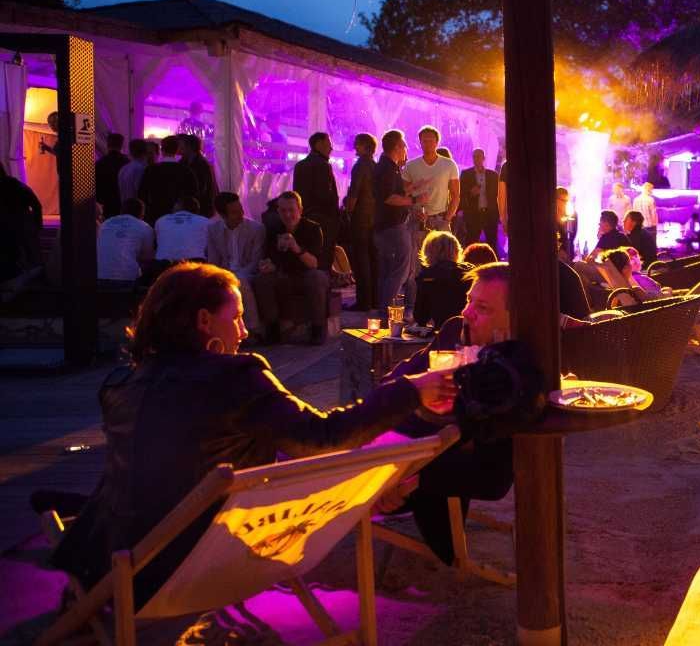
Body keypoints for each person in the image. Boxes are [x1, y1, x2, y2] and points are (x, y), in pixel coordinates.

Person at [48, 262, 454, 606]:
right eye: (238, 316)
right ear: (204, 321)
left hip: (112, 569)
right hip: (197, 567)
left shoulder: (119, 385)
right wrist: (410, 391)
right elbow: (323, 437)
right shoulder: (234, 376)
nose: (244, 331)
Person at [378, 263, 517, 565]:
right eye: (469, 300)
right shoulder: (456, 330)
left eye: (482, 307)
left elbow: (492, 478)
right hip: (400, 443)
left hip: (431, 463)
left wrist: (410, 480)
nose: (468, 312)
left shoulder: (513, 373)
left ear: (513, 321)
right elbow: (399, 377)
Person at [601, 247, 700, 350]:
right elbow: (654, 303)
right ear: (625, 268)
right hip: (672, 315)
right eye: (629, 262)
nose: (632, 265)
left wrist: (668, 293)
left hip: (671, 309)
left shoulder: (630, 285)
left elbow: (652, 301)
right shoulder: (633, 289)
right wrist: (668, 293)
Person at [254, 190, 328, 346]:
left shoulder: (313, 229)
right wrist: (266, 265)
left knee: (317, 277)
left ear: (300, 210)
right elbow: (270, 257)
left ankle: (318, 328)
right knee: (262, 280)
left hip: (305, 275)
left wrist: (296, 247)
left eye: (291, 210)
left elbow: (314, 264)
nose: (287, 215)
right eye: (283, 210)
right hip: (283, 275)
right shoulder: (274, 228)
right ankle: (273, 330)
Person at [207, 192, 266, 336]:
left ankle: (253, 328)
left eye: (241, 209)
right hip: (225, 272)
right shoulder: (214, 230)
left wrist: (234, 277)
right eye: (234, 212)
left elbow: (256, 260)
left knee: (241, 283)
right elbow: (213, 260)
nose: (240, 214)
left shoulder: (256, 229)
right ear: (223, 215)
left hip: (248, 272)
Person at [373, 130, 415, 314]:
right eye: (404, 145)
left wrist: (410, 188)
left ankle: (384, 312)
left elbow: (391, 190)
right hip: (393, 226)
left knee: (388, 271)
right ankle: (387, 312)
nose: (406, 148)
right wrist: (414, 200)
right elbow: (389, 197)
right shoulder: (388, 168)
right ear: (397, 146)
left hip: (384, 226)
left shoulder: (388, 167)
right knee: (401, 270)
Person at [292, 132, 340, 272]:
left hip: (305, 217)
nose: (331, 148)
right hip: (324, 219)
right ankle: (324, 288)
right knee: (324, 257)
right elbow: (326, 195)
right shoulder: (323, 165)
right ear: (318, 144)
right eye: (328, 144)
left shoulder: (300, 166)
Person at [343, 132, 379, 312]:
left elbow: (354, 192)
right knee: (372, 260)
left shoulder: (360, 166)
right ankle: (372, 299)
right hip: (374, 218)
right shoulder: (375, 165)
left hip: (360, 218)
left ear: (365, 146)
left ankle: (363, 301)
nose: (354, 147)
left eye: (357, 143)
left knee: (360, 260)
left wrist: (348, 209)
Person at [402, 125, 460, 236]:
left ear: (437, 142)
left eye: (431, 140)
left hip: (440, 218)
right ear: (420, 142)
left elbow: (455, 195)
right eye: (424, 141)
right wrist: (413, 209)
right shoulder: (411, 165)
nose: (427, 143)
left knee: (443, 252)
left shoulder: (449, 165)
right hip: (416, 218)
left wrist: (447, 219)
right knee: (415, 252)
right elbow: (404, 193)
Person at [413, 230, 474, 327]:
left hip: (443, 329)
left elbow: (420, 317)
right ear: (456, 250)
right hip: (469, 326)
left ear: (428, 251)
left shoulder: (427, 276)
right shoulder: (470, 272)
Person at [137, 135, 197, 225]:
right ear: (177, 150)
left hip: (155, 215)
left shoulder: (151, 170)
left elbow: (142, 193)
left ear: (162, 149)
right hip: (179, 217)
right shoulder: (186, 170)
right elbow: (192, 193)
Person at [0, 159, 43, 284]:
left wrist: (36, 224)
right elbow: (35, 204)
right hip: (21, 225)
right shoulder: (16, 184)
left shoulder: (14, 185)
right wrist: (37, 223)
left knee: (26, 256)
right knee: (30, 257)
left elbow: (35, 204)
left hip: (18, 226)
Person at [96, 198, 154, 287]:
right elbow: (147, 258)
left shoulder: (105, 223)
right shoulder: (144, 227)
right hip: (127, 279)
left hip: (100, 276)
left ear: (121, 211)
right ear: (142, 214)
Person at [459, 147, 499, 247]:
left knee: (492, 242)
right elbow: (461, 194)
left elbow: (498, 195)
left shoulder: (493, 175)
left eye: (479, 156)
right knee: (471, 243)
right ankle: (469, 262)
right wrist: (470, 193)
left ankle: (494, 262)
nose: (476, 159)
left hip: (490, 214)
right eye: (474, 157)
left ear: (484, 158)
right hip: (473, 214)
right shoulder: (466, 174)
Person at [154, 196, 209, 263]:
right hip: (194, 263)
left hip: (164, 264)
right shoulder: (205, 221)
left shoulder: (161, 220)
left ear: (179, 206)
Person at [178, 134, 217, 218]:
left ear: (189, 147)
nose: (178, 147)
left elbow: (202, 188)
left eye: (181, 145)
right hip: (190, 208)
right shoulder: (183, 162)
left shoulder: (202, 164)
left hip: (201, 208)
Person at [94, 132, 129, 218]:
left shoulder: (100, 163)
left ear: (107, 144)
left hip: (105, 203)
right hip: (123, 202)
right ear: (121, 145)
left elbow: (95, 184)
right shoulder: (127, 162)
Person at [117, 139, 149, 204]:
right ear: (145, 152)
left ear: (130, 152)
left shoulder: (123, 169)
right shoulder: (141, 169)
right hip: (136, 208)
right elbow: (140, 191)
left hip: (124, 207)